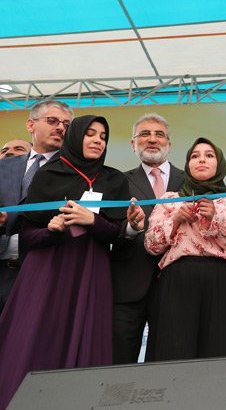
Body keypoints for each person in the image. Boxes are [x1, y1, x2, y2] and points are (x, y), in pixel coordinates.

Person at [0, 115, 141, 408]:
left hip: (91, 271)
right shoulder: (49, 174)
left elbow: (116, 235)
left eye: (103, 136)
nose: (97, 141)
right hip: (47, 270)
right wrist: (51, 230)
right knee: (37, 338)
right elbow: (27, 235)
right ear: (75, 136)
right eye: (90, 134)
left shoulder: (114, 179)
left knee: (85, 340)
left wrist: (94, 221)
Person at [145, 137, 226, 360]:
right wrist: (175, 220)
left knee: (221, 353)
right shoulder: (170, 199)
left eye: (209, 156)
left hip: (224, 282)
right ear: (188, 164)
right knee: (174, 351)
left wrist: (214, 219)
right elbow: (151, 245)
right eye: (195, 156)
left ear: (219, 164)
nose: (201, 160)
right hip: (178, 281)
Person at [111, 113, 185, 364]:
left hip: (177, 282)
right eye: (144, 134)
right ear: (133, 144)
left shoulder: (190, 181)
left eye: (159, 134)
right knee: (120, 363)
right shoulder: (118, 182)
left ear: (169, 144)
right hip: (129, 284)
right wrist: (130, 228)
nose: (152, 139)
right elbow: (108, 228)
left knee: (169, 361)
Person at [0, 100, 73, 314]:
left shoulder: (74, 172)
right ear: (30, 124)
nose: (60, 127)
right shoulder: (4, 166)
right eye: (52, 121)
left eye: (66, 124)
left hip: (44, 271)